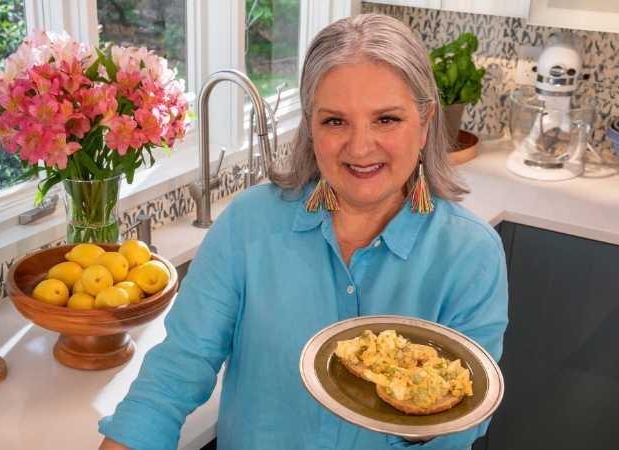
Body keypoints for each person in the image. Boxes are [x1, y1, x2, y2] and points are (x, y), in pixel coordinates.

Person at [99, 13, 508, 450]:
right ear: (311, 127)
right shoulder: (247, 225)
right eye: (335, 121)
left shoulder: (471, 256)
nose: (360, 146)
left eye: (387, 119)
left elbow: (460, 423)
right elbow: (174, 374)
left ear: (425, 123)